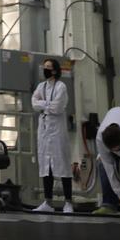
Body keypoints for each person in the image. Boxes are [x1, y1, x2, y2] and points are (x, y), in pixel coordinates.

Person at [32, 57, 74, 214]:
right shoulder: (41, 86)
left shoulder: (61, 86)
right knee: (45, 165)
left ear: (55, 70)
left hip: (57, 131)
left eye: (48, 67)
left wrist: (44, 106)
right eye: (44, 66)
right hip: (43, 131)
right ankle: (47, 202)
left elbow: (58, 107)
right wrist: (46, 105)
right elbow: (34, 103)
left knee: (62, 164)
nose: (45, 69)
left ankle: (68, 202)